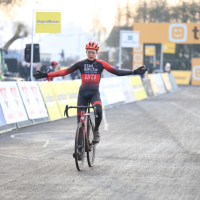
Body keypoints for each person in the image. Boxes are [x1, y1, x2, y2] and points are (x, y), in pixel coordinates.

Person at [33, 41, 147, 144]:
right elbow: (64, 72)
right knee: (80, 122)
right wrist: (45, 74)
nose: (90, 54)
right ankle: (80, 146)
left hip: (94, 94)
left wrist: (134, 71)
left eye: (93, 52)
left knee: (98, 110)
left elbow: (116, 72)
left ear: (96, 52)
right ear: (86, 52)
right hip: (82, 94)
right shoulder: (81, 64)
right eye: (88, 52)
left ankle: (96, 130)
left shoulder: (101, 64)